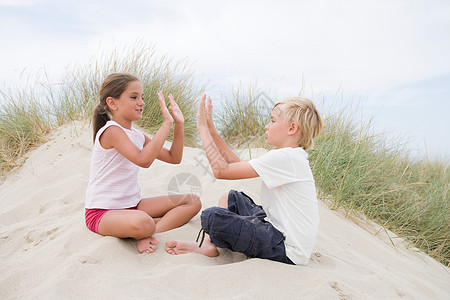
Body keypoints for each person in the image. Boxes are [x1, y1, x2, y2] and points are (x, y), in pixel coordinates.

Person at [166, 94, 322, 265]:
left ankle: (209, 243)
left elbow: (220, 171)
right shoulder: (289, 156)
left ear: (292, 128)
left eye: (272, 121)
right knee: (231, 198)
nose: (266, 126)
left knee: (212, 217)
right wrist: (211, 129)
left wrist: (202, 129)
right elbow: (235, 163)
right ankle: (208, 245)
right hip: (275, 229)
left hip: (286, 249)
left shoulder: (287, 158)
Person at [85, 73, 201, 254]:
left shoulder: (137, 135)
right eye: (134, 97)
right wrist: (166, 124)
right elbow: (143, 160)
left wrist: (178, 124)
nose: (141, 102)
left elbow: (173, 157)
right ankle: (147, 228)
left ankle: (150, 231)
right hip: (102, 213)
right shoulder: (111, 131)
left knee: (192, 201)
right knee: (143, 221)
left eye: (142, 97)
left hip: (132, 206)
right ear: (112, 103)